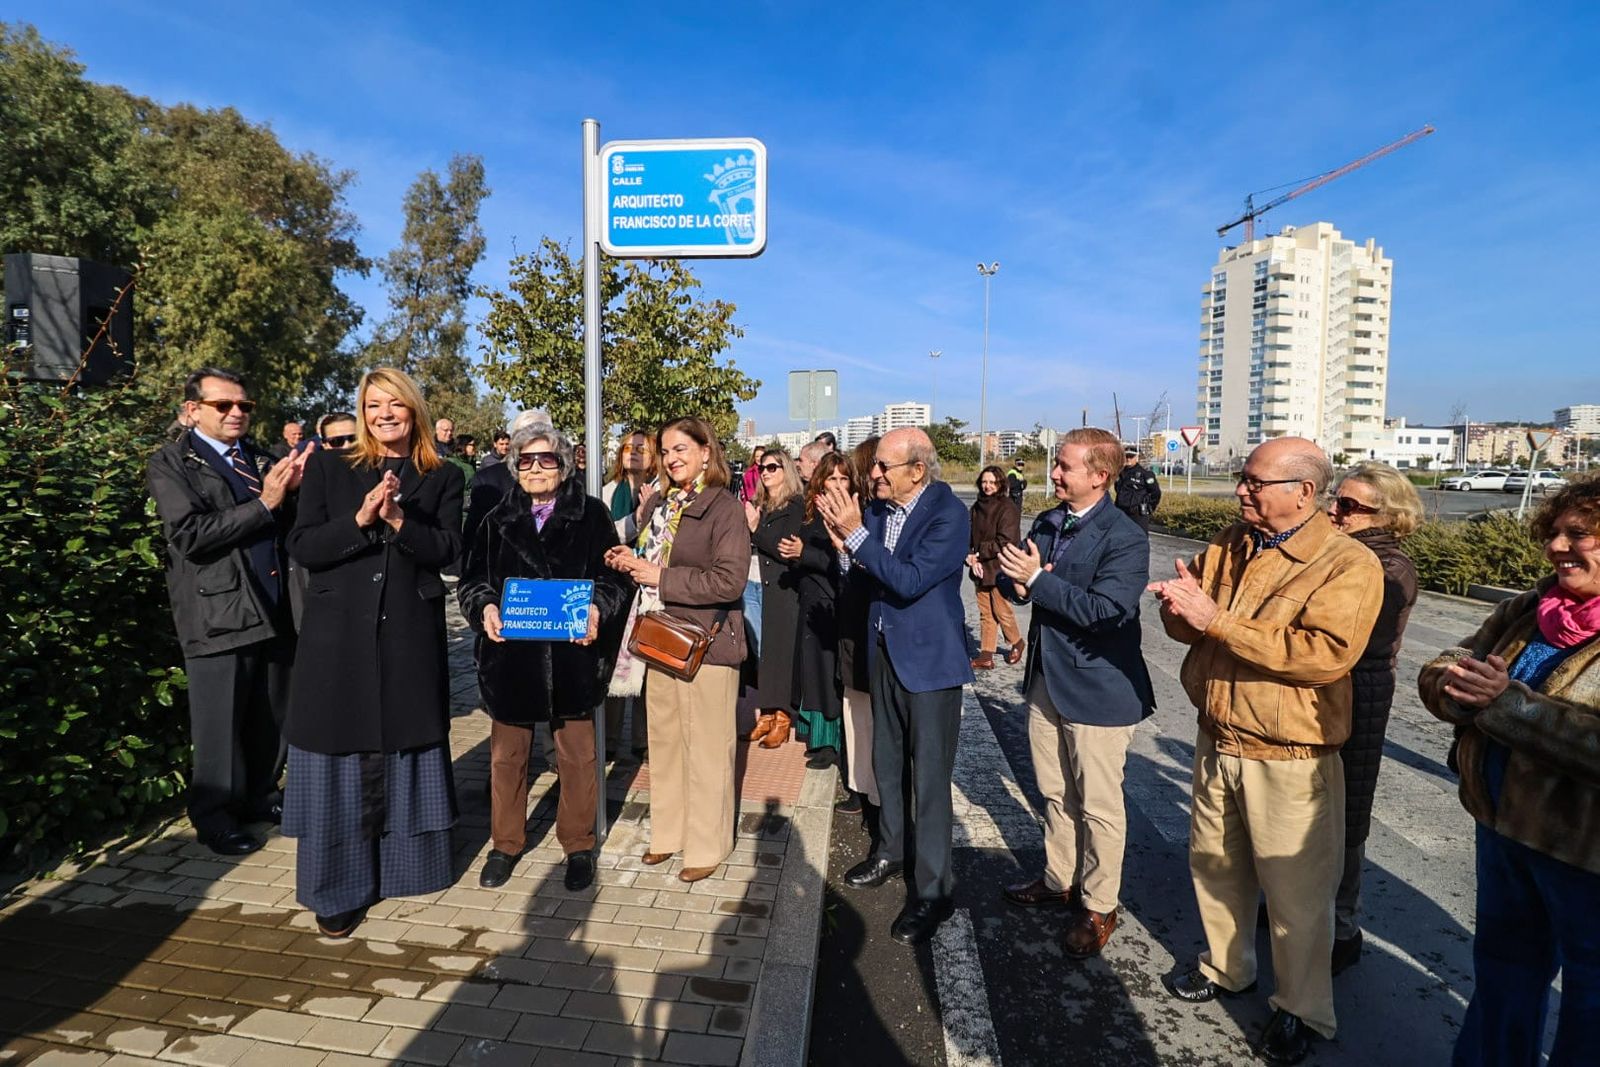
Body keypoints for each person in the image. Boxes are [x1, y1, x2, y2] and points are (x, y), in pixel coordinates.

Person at [1148, 436, 1382, 1065]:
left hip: (1289, 753)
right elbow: (1193, 623)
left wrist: (1216, 620)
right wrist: (1179, 609)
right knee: (1215, 865)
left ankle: (1303, 1009)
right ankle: (1226, 968)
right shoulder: (1231, 540)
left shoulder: (1347, 563)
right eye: (1242, 479)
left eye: (1255, 481)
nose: (1242, 490)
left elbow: (1323, 656)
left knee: (1296, 896)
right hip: (1218, 732)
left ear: (1303, 492)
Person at [1418, 477, 1600, 1067]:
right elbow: (1450, 662)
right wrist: (1454, 688)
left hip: (1586, 859)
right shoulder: (1530, 607)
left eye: (1579, 534)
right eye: (1553, 532)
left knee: (1590, 1009)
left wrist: (1505, 704)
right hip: (1502, 830)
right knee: (1503, 980)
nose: (1556, 546)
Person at [281, 368, 465, 938]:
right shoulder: (331, 468)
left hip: (408, 633)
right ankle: (337, 889)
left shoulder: (442, 475)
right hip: (336, 639)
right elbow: (304, 546)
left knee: (404, 745)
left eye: (395, 404)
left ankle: (406, 871)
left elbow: (450, 553)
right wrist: (361, 521)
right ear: (362, 413)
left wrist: (401, 521)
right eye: (373, 404)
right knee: (338, 753)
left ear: (414, 410)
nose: (384, 413)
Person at [994, 428, 1155, 958]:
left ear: (1099, 476)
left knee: (1099, 805)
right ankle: (1059, 876)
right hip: (1047, 680)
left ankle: (1099, 903)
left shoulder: (1124, 536)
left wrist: (1037, 581)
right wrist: (1008, 581)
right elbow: (1021, 580)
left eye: (1064, 466)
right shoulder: (1047, 522)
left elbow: (1108, 611)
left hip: (1099, 687)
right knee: (1055, 790)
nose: (1054, 474)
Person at [458, 423, 635, 892]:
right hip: (509, 659)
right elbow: (472, 581)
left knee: (578, 758)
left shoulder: (592, 515)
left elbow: (617, 578)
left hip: (573, 659)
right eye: (526, 460)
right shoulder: (496, 518)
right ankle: (505, 844)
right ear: (514, 467)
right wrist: (485, 607)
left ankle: (578, 846)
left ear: (565, 463)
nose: (536, 468)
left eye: (546, 459)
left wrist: (598, 609)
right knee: (507, 759)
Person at [819, 427, 973, 945]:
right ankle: (890, 850)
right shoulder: (882, 512)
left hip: (929, 664)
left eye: (885, 466)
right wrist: (846, 547)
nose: (874, 474)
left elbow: (908, 580)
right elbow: (869, 578)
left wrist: (855, 536)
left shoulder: (948, 516)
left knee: (928, 778)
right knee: (886, 760)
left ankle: (933, 891)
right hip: (884, 653)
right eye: (876, 465)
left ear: (917, 470)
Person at [148, 368, 306, 856]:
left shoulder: (261, 459)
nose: (237, 413)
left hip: (275, 606)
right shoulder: (172, 463)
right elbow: (190, 535)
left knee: (271, 712)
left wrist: (293, 493)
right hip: (219, 613)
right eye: (224, 405)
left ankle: (261, 795)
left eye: (244, 406)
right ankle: (215, 816)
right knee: (219, 723)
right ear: (193, 410)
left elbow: (288, 526)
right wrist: (267, 503)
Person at [605, 417, 748, 882]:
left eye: (681, 448)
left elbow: (729, 581)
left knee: (707, 747)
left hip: (705, 642)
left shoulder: (723, 507)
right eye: (666, 450)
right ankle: (667, 833)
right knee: (664, 743)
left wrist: (659, 577)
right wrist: (630, 561)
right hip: (659, 636)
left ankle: (708, 842)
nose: (672, 458)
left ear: (707, 452)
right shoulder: (664, 504)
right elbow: (654, 562)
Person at [1325, 462, 1421, 974]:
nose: (1335, 513)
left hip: (1359, 688)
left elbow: (1350, 637)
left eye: (1348, 506)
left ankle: (1342, 926)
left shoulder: (1389, 568)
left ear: (1387, 515)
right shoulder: (1345, 552)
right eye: (1335, 501)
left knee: (1347, 807)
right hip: (1333, 686)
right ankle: (1291, 903)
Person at [780, 453, 852, 770]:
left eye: (843, 478)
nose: (836, 484)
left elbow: (843, 564)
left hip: (832, 605)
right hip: (809, 603)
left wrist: (803, 554)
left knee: (827, 676)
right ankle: (816, 737)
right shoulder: (813, 511)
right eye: (831, 478)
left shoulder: (851, 514)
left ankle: (830, 742)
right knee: (810, 673)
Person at [601, 429, 660, 760]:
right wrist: (637, 517)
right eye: (627, 448)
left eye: (641, 448)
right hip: (616, 586)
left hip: (649, 588)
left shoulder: (663, 491)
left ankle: (643, 740)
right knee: (615, 664)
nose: (633, 452)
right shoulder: (608, 491)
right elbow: (607, 534)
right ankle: (609, 740)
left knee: (647, 662)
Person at [833, 437, 881, 817]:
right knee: (855, 710)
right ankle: (859, 785)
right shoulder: (858, 511)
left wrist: (848, 546)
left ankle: (876, 793)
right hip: (850, 622)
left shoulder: (874, 515)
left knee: (871, 715)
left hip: (871, 625)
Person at [745, 450, 805, 747]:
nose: (765, 472)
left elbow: (785, 549)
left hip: (783, 587)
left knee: (780, 653)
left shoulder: (796, 505)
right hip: (755, 583)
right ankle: (766, 714)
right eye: (761, 467)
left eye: (772, 467)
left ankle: (782, 717)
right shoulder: (761, 503)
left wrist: (755, 530)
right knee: (762, 652)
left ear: (787, 470)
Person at [967, 464, 1024, 670]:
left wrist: (980, 552)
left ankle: (1016, 641)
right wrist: (970, 557)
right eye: (984, 482)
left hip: (1000, 567)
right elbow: (968, 536)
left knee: (1001, 609)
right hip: (980, 567)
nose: (987, 486)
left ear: (1000, 483)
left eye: (992, 482)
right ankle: (986, 654)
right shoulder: (976, 507)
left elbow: (1006, 541)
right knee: (985, 612)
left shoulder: (1007, 507)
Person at [1113, 446, 1162, 533]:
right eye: (1126, 456)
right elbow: (1118, 489)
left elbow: (1156, 493)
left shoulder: (1145, 474)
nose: (1128, 459)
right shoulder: (1120, 473)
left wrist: (1149, 507)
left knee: (1139, 541)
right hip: (1121, 512)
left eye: (1131, 457)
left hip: (1137, 515)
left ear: (1136, 458)